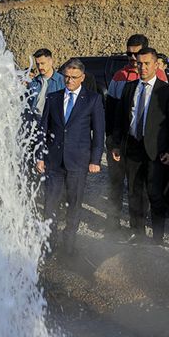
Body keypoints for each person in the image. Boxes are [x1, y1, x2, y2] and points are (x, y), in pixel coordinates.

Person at [111, 47, 169, 245]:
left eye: (146, 63)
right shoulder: (130, 87)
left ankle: (157, 238)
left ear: (156, 64)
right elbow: (120, 118)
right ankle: (137, 232)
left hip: (156, 151)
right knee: (134, 192)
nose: (142, 67)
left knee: (155, 193)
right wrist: (116, 144)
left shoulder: (166, 91)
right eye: (139, 63)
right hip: (132, 147)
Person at [36, 58, 104, 255]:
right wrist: (40, 156)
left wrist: (95, 159)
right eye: (66, 77)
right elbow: (43, 129)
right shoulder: (53, 97)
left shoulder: (92, 99)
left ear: (82, 78)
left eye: (74, 77)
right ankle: (49, 244)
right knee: (50, 205)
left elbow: (98, 132)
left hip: (78, 161)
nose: (69, 81)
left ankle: (69, 246)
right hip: (54, 161)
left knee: (74, 204)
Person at [105, 34, 149, 229]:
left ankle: (136, 227)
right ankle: (112, 223)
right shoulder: (119, 77)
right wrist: (111, 140)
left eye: (136, 54)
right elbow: (110, 111)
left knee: (137, 187)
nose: (132, 58)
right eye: (129, 54)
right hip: (119, 141)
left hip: (142, 144)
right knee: (115, 184)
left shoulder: (158, 77)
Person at [28, 48, 65, 120]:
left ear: (51, 61)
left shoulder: (62, 81)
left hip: (52, 124)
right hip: (34, 124)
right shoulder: (33, 82)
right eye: (37, 64)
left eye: (42, 63)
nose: (40, 67)